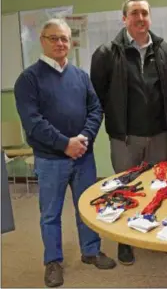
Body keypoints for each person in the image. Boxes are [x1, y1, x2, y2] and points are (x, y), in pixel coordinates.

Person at [14, 19, 116, 288]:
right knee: (50, 214)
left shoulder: (81, 76)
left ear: (70, 42)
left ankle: (91, 251)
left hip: (84, 156)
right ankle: (53, 262)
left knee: (87, 208)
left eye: (65, 39)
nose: (60, 43)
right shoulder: (28, 79)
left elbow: (96, 109)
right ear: (42, 40)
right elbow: (33, 122)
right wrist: (64, 144)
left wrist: (83, 139)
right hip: (50, 160)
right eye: (54, 38)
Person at [90, 0, 167, 265]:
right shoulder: (107, 52)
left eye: (145, 13)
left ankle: (156, 231)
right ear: (124, 19)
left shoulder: (164, 50)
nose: (140, 18)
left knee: (159, 187)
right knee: (125, 189)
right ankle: (125, 241)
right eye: (135, 13)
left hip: (159, 134)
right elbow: (97, 93)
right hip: (125, 137)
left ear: (150, 18)